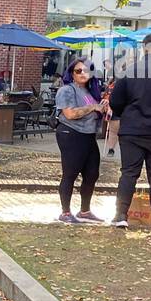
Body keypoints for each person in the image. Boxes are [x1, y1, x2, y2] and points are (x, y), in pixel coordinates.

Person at [108, 33, 151, 229]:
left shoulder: (128, 71)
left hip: (132, 130)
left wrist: (128, 113)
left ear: (143, 48)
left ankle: (121, 214)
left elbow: (115, 102)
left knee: (129, 173)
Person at [54, 60, 110, 223]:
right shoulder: (66, 90)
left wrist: (102, 106)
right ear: (72, 73)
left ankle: (85, 210)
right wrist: (93, 107)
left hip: (88, 134)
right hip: (71, 133)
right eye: (78, 71)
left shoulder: (91, 92)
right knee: (70, 173)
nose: (83, 74)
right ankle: (65, 212)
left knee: (92, 173)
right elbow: (70, 114)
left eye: (86, 71)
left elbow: (96, 111)